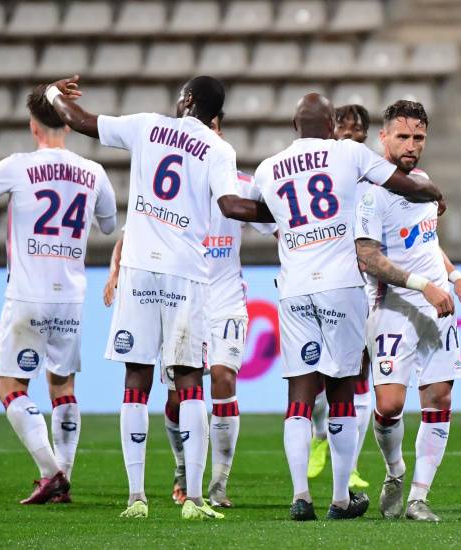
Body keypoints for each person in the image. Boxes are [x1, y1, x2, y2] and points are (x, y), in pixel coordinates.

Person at [46, 74, 274, 520]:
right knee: (190, 382)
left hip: (138, 270)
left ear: (187, 100)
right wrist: (286, 209)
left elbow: (81, 121)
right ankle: (192, 498)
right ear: (216, 115)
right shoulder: (218, 148)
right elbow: (230, 206)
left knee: (136, 381)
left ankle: (136, 498)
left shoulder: (148, 125)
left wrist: (54, 93)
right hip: (186, 274)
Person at [252, 93, 448, 521]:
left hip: (295, 287)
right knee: (346, 391)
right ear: (331, 125)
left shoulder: (269, 167)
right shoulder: (350, 159)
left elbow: (251, 212)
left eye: (419, 137)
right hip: (345, 286)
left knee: (300, 396)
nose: (412, 144)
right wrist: (433, 192)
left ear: (293, 123)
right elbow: (402, 188)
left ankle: (302, 495)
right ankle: (342, 497)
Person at [103, 112, 277, 509]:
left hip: (226, 299)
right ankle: (183, 469)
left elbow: (282, 226)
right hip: (180, 292)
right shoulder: (179, 182)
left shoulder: (241, 186)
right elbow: (131, 235)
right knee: (179, 394)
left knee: (222, 379)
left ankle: (218, 483)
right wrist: (115, 273)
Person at [0, 84, 117, 504]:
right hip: (71, 296)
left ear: (33, 127)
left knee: (10, 387)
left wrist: (2, 193)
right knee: (62, 387)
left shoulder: (17, 165)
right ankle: (63, 477)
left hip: (27, 294)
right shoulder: (93, 172)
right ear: (67, 122)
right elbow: (108, 225)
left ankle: (51, 473)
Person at [355, 100, 461, 522]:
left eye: (418, 137)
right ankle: (395, 471)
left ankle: (419, 498)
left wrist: (454, 275)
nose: (411, 145)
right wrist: (423, 286)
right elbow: (368, 259)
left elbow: (426, 241)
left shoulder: (421, 182)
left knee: (440, 396)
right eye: (402, 136)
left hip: (438, 303)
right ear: (383, 137)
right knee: (389, 405)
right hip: (395, 307)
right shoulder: (371, 193)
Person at [308, 104, 374, 490]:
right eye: (344, 127)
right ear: (332, 131)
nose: (350, 134)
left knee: (357, 372)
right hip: (322, 279)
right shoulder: (317, 173)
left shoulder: (373, 174)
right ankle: (319, 437)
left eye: (357, 129)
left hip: (362, 281)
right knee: (318, 373)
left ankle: (347, 464)